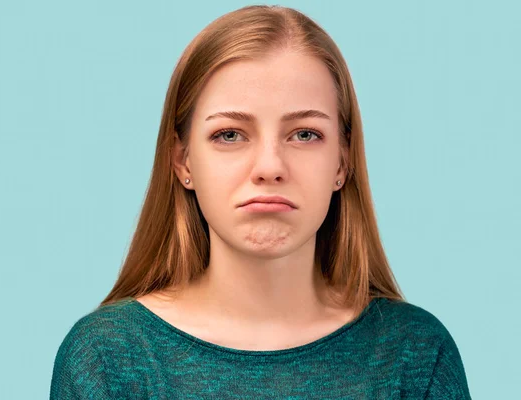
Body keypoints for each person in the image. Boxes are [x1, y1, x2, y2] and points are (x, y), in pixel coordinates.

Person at [50, 5, 471, 399]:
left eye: (305, 134)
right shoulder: (106, 358)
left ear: (343, 161)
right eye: (229, 135)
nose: (270, 167)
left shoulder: (417, 354)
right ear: (183, 161)